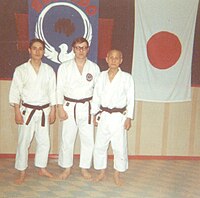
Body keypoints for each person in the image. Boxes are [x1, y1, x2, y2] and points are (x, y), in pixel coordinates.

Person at [9, 38, 56, 185]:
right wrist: (17, 111)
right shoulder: (21, 70)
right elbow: (15, 91)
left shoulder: (48, 70)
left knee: (44, 141)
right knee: (24, 141)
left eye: (40, 48)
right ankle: (22, 171)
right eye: (34, 48)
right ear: (29, 50)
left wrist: (53, 110)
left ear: (43, 51)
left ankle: (41, 167)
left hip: (43, 111)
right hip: (27, 111)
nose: (37, 51)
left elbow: (52, 92)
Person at [57, 37, 100, 180]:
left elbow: (98, 92)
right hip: (69, 106)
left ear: (88, 49)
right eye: (78, 47)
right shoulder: (64, 67)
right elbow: (59, 89)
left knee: (88, 139)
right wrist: (59, 107)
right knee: (67, 138)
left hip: (87, 107)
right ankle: (66, 167)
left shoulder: (94, 68)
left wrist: (96, 112)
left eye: (83, 47)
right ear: (73, 49)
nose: (81, 50)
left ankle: (84, 167)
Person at [91, 49, 135, 186]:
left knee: (119, 146)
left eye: (117, 58)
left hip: (119, 116)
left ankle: (117, 173)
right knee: (100, 145)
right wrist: (94, 113)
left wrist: (129, 117)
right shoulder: (101, 76)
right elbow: (96, 96)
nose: (114, 60)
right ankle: (101, 171)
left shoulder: (127, 77)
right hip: (103, 115)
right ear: (107, 59)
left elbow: (131, 99)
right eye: (111, 57)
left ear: (121, 60)